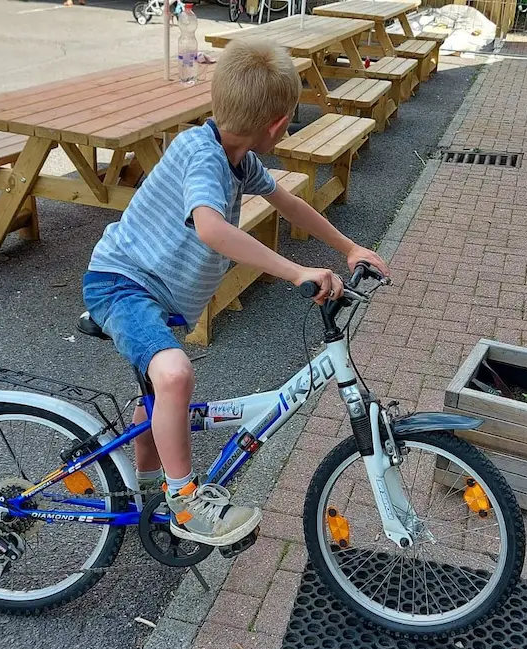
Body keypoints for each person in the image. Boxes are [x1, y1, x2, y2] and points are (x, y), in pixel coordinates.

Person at [82, 38, 388, 546]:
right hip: (123, 283)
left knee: (158, 394)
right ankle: (184, 503)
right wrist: (295, 272)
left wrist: (349, 247)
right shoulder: (200, 155)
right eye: (290, 119)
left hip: (159, 294)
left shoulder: (237, 157)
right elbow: (210, 228)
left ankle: (147, 490)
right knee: (175, 375)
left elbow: (288, 203)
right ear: (276, 123)